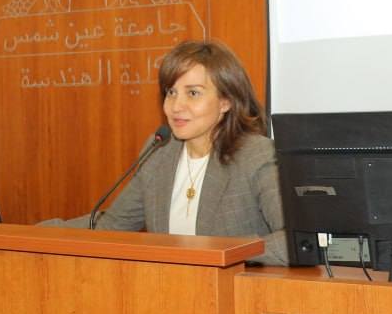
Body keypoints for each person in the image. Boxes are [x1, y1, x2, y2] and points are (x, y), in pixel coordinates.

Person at [46, 40, 287, 265]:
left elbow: (293, 240)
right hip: (169, 288)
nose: (176, 106)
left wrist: (226, 252)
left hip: (235, 291)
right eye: (171, 92)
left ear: (226, 102)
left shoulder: (256, 156)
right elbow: (112, 225)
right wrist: (40, 232)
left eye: (193, 93)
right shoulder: (160, 151)